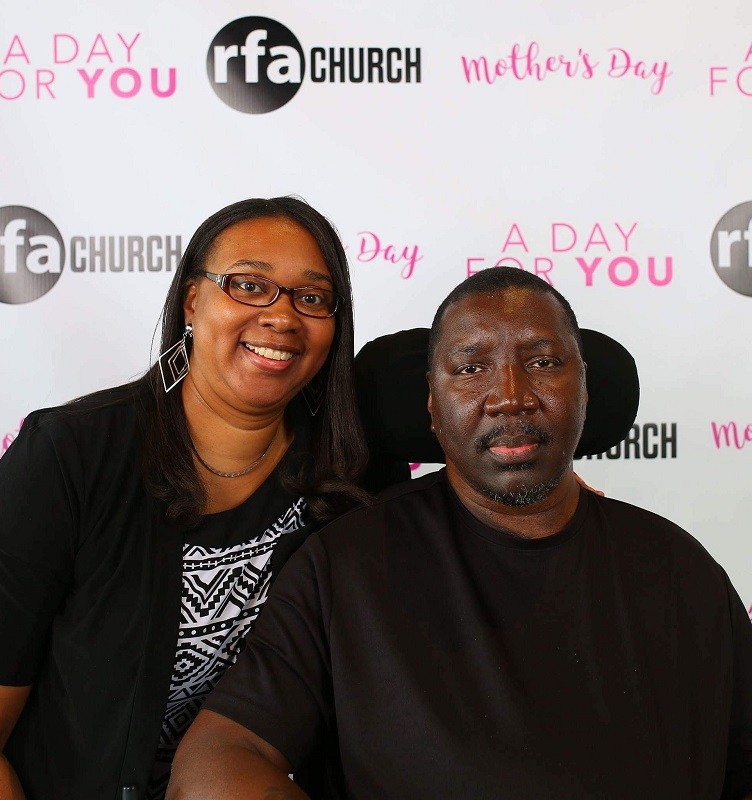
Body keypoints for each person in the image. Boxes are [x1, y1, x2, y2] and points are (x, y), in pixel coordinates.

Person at [168, 266, 752, 800]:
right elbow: (215, 764)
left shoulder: (680, 570)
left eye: (543, 362)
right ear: (431, 401)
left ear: (585, 386)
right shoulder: (347, 567)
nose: (511, 397)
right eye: (471, 368)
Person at [0, 197, 371, 800]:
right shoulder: (73, 456)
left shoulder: (343, 475)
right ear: (192, 301)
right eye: (249, 285)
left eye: (312, 297)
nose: (282, 317)